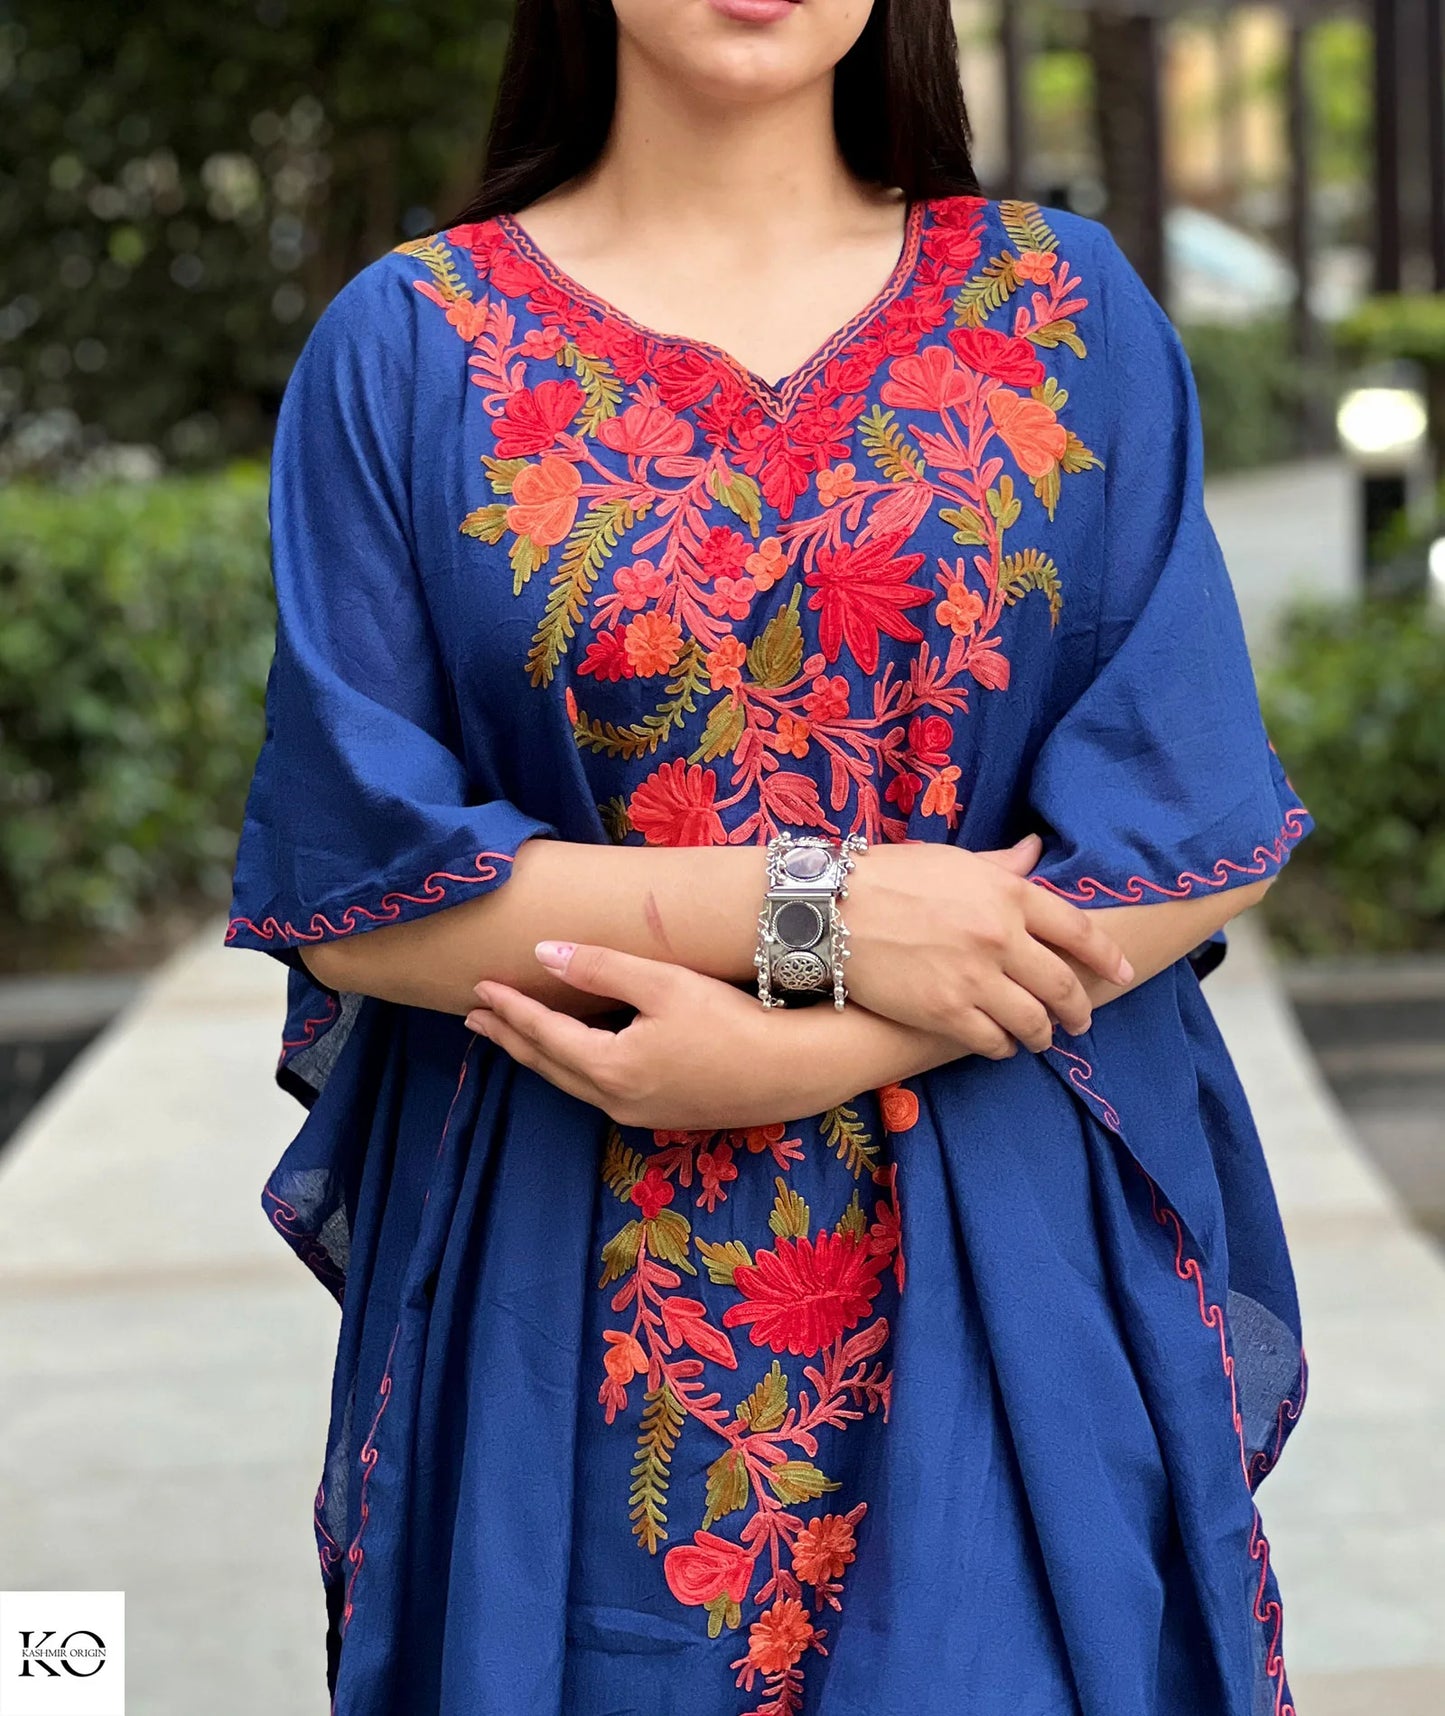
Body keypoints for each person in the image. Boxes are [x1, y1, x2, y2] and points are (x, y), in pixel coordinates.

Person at [225, 0, 1313, 1710]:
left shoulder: (1058, 306)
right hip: (570, 1285)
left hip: (1009, 1250)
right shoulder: (414, 344)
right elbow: (354, 888)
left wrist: (804, 1049)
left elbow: (1194, 829)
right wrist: (827, 912)